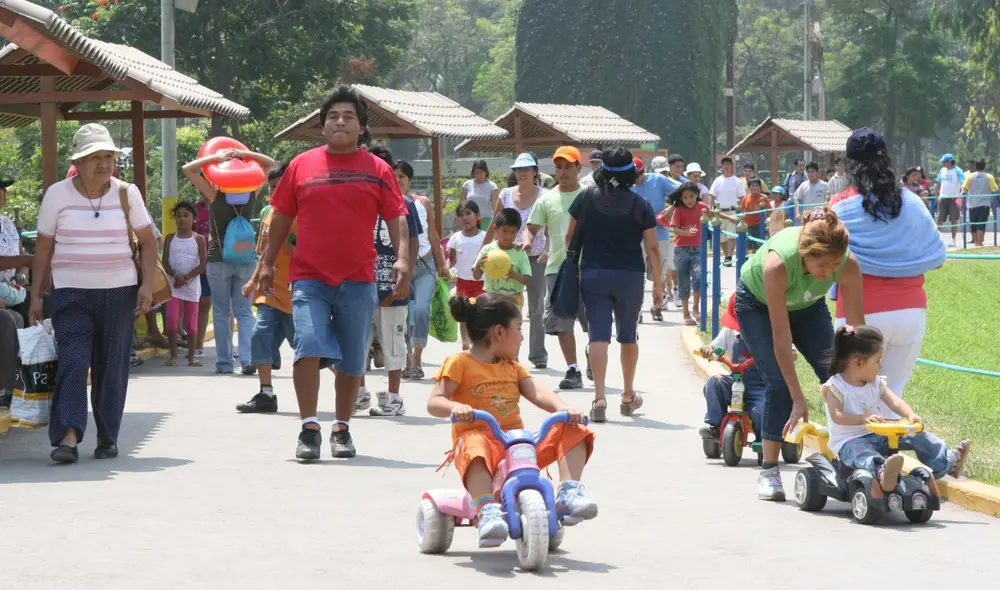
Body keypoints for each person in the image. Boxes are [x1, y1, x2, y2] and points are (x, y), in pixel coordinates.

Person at [259, 85, 411, 461]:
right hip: (310, 277)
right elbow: (281, 218)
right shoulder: (301, 166)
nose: (339, 121)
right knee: (307, 346)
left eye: (348, 117)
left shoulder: (378, 170)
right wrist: (265, 262)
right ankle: (309, 427)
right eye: (332, 116)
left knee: (352, 359)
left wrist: (403, 259)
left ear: (362, 128)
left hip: (358, 279)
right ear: (322, 126)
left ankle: (341, 428)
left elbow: (397, 218)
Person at [30, 123, 158, 463]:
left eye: (108, 157)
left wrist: (146, 286)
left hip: (119, 291)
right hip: (71, 292)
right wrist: (34, 294)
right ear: (80, 161)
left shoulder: (125, 193)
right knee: (73, 360)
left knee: (112, 365)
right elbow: (43, 247)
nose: (103, 164)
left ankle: (107, 436)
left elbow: (148, 241)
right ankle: (68, 437)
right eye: (95, 157)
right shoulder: (57, 194)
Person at [426, 293, 597, 546]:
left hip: (514, 447)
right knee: (474, 443)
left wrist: (563, 409)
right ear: (499, 332)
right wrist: (456, 407)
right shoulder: (459, 362)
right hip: (480, 442)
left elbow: (537, 392)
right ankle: (487, 510)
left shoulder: (512, 367)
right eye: (518, 328)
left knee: (573, 429)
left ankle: (567, 494)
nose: (522, 337)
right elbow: (434, 401)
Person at [734, 205, 864, 500]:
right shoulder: (778, 265)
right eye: (823, 266)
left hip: (807, 307)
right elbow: (782, 340)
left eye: (834, 266)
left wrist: (863, 376)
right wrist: (797, 397)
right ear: (806, 252)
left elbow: (857, 329)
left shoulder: (848, 264)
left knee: (838, 374)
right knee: (778, 383)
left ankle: (849, 456)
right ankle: (768, 470)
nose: (828, 274)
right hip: (758, 305)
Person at [829, 127, 946, 412]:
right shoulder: (913, 202)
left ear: (850, 165)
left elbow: (828, 259)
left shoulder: (840, 205)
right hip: (911, 313)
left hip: (859, 313)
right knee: (891, 398)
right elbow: (938, 255)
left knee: (852, 400)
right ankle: (890, 455)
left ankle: (862, 457)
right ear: (888, 161)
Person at [566, 147, 663, 423]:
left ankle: (598, 398)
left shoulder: (586, 198)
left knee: (598, 335)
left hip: (594, 273)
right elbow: (653, 248)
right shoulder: (640, 205)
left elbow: (570, 235)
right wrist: (657, 284)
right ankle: (629, 395)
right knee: (628, 335)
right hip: (629, 276)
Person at [823, 325, 971, 490]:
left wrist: (910, 415)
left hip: (878, 433)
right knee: (863, 454)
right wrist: (864, 420)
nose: (880, 366)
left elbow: (894, 401)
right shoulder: (835, 387)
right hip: (849, 442)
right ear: (858, 362)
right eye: (877, 361)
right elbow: (837, 415)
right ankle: (882, 472)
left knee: (916, 435)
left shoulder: (875, 383)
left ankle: (947, 462)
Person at [183, 145, 276, 375]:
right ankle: (247, 360)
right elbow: (270, 163)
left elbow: (187, 170)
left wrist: (215, 157)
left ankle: (224, 363)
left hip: (218, 259)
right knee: (244, 312)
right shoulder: (252, 193)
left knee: (222, 312)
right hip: (246, 259)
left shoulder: (215, 195)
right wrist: (247, 156)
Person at [354, 142, 421, 417]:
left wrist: (407, 275)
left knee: (394, 342)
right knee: (356, 341)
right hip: (359, 284)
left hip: (392, 286)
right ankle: (358, 393)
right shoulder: (356, 200)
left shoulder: (404, 204)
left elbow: (413, 241)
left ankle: (393, 398)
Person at [522, 146, 591, 390]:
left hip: (589, 267)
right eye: (558, 167)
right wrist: (528, 241)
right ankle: (573, 369)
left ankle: (594, 353)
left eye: (567, 166)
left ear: (578, 168)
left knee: (592, 320)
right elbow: (532, 227)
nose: (562, 172)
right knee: (562, 321)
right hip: (557, 268)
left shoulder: (591, 195)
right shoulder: (547, 199)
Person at [237, 176, 298, 415]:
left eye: (279, 186)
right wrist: (253, 280)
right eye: (272, 186)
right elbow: (264, 253)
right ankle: (266, 393)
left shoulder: (299, 215)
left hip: (294, 292)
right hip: (269, 292)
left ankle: (355, 385)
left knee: (310, 347)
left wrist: (282, 243)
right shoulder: (266, 213)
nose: (274, 191)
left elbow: (305, 251)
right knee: (260, 334)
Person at [484, 153, 548, 369]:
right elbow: (495, 225)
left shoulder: (544, 195)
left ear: (535, 172)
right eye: (518, 169)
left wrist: (548, 251)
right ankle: (509, 352)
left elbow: (548, 228)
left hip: (536, 256)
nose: (522, 173)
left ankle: (538, 352)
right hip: (506, 258)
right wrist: (483, 254)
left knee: (536, 306)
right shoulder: (505, 194)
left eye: (527, 169)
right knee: (507, 307)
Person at [398, 160, 448, 380]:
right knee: (403, 315)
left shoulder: (423, 202)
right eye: (394, 175)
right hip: (399, 267)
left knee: (420, 311)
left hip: (425, 265)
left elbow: (433, 234)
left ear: (409, 180)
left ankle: (417, 358)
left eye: (402, 176)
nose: (398, 180)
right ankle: (406, 359)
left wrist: (442, 263)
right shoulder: (386, 202)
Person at [698, 297, 766, 444]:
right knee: (714, 383)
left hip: (760, 385)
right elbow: (715, 346)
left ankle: (764, 439)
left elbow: (789, 351)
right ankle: (715, 426)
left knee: (762, 409)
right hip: (736, 380)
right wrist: (709, 350)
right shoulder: (729, 331)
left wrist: (782, 353)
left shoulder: (768, 331)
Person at [632, 156, 678, 319]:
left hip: (659, 234)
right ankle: (636, 310)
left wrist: (670, 210)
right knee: (636, 275)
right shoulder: (626, 186)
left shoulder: (657, 180)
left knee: (659, 275)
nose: (633, 178)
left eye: (636, 174)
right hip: (635, 237)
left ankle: (656, 306)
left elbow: (684, 191)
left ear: (643, 171)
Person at [162, 201, 206, 367]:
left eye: (186, 215)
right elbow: (165, 261)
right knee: (172, 319)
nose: (182, 219)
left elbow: (202, 264)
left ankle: (191, 356)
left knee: (191, 320)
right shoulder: (169, 238)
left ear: (194, 218)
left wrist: (186, 278)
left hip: (191, 285)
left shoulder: (199, 239)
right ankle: (173, 355)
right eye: (178, 215)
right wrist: (176, 276)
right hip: (173, 285)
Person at [664, 182, 710, 325]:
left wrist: (732, 218)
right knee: (683, 282)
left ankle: (696, 308)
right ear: (681, 198)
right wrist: (687, 233)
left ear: (697, 195)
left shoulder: (702, 208)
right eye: (685, 197)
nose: (689, 200)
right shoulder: (678, 210)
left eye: (692, 196)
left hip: (698, 249)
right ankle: (685, 313)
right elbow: (675, 229)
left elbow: (715, 214)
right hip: (681, 250)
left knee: (698, 279)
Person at [448, 200, 486, 350]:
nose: (464, 218)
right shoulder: (455, 238)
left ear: (478, 216)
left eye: (468, 213)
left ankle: (480, 345)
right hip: (462, 282)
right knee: (463, 315)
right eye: (461, 215)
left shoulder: (485, 237)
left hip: (482, 282)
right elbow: (451, 259)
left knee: (481, 314)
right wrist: (445, 270)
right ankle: (465, 345)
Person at [474, 208, 531, 308]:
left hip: (514, 299)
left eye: (513, 232)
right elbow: (476, 276)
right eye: (504, 231)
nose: (508, 236)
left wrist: (514, 275)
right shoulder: (487, 250)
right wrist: (479, 263)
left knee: (511, 324)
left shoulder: (520, 252)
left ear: (518, 231)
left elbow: (528, 280)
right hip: (492, 298)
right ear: (495, 229)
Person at [708, 157, 746, 267]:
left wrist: (742, 212)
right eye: (724, 164)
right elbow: (712, 195)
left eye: (728, 164)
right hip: (720, 213)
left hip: (733, 212)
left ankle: (729, 256)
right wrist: (711, 209)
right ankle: (726, 255)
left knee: (731, 236)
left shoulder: (737, 181)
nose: (726, 166)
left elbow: (742, 197)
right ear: (722, 166)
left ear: (732, 166)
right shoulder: (718, 180)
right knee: (722, 239)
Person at [961, 160, 997, 247]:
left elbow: (964, 189)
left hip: (972, 204)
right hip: (984, 204)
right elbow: (994, 190)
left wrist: (963, 199)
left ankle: (977, 242)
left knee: (973, 223)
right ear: (985, 167)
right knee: (981, 223)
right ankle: (979, 243)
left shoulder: (970, 176)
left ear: (976, 167)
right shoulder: (989, 177)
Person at [935, 153, 964, 248]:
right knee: (939, 219)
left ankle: (953, 240)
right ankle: (937, 239)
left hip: (954, 199)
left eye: (945, 162)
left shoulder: (958, 170)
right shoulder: (942, 170)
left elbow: (963, 184)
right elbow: (938, 182)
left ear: (950, 162)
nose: (943, 164)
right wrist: (936, 193)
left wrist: (960, 197)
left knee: (953, 220)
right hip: (943, 198)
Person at [460, 160, 499, 230]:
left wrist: (497, 223)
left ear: (486, 172)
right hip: (469, 220)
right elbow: (461, 206)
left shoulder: (492, 186)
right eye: (476, 173)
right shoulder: (466, 185)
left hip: (486, 221)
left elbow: (495, 208)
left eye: (481, 173)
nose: (478, 175)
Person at [740, 178, 772, 249]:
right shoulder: (745, 198)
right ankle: (746, 259)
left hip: (759, 226)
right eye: (752, 186)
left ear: (760, 187)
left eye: (757, 186)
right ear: (749, 188)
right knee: (747, 245)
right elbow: (742, 211)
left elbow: (770, 210)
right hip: (747, 226)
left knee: (758, 246)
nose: (755, 188)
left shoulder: (763, 198)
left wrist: (764, 218)